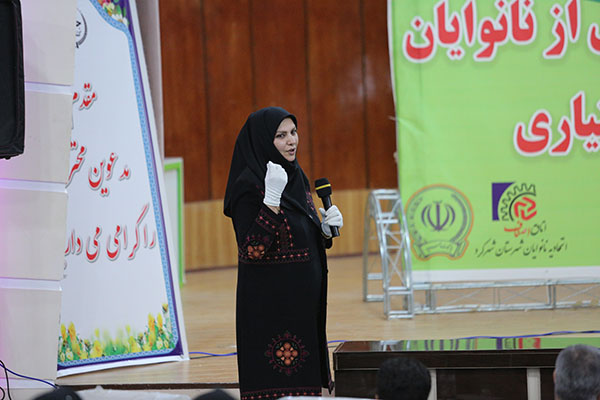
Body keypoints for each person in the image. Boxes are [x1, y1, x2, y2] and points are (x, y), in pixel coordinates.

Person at [223, 107, 343, 400]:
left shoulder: (295, 176)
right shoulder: (247, 187)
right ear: (263, 140)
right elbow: (252, 249)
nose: (292, 141)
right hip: (271, 305)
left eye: (293, 132)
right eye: (280, 135)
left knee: (305, 386)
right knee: (277, 384)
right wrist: (271, 200)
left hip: (302, 304)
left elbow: (297, 234)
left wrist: (324, 231)